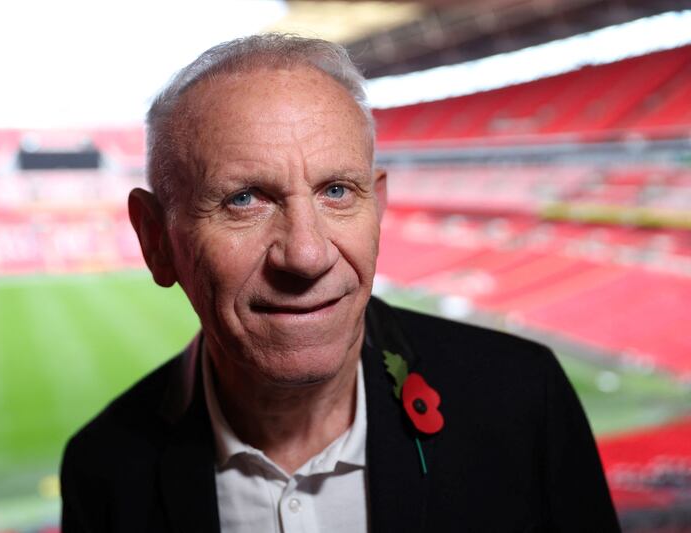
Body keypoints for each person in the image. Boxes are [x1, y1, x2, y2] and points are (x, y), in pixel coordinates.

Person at [60, 33, 620, 532]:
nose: (306, 255)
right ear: (156, 240)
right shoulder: (104, 468)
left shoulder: (524, 398)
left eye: (336, 191)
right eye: (244, 199)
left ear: (377, 207)